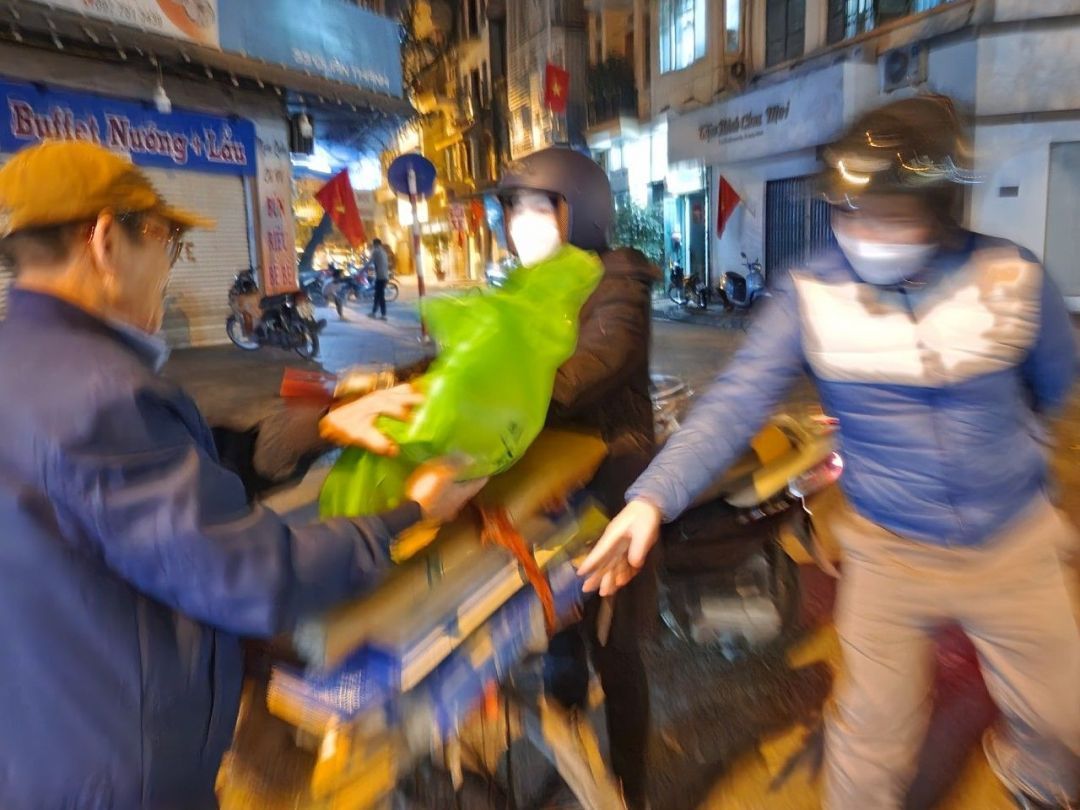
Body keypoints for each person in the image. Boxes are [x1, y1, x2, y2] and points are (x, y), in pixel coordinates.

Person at [579, 95, 1080, 810]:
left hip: (1014, 542)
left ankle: (1031, 773)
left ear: (938, 208)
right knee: (870, 741)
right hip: (890, 551)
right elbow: (735, 401)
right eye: (848, 212)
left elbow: (1054, 382)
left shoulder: (1010, 277)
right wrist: (651, 500)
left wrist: (1008, 460)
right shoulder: (811, 294)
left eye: (886, 214)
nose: (862, 231)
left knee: (1062, 718)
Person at [0, 141, 486, 809]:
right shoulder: (100, 395)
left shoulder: (24, 366)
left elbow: (158, 491)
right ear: (106, 241)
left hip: (40, 744)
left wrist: (323, 424)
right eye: (167, 244)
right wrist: (409, 513)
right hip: (120, 777)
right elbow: (251, 574)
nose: (170, 269)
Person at [498, 147, 661, 810]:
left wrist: (499, 397)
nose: (521, 222)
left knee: (613, 647)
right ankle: (567, 743)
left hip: (614, 484)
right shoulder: (530, 288)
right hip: (554, 483)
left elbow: (595, 364)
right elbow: (489, 353)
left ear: (579, 210)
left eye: (537, 207)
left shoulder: (617, 282)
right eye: (513, 209)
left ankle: (630, 787)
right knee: (558, 623)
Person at [367, 237, 390, 320]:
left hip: (380, 277)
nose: (373, 246)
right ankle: (374, 312)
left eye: (373, 244)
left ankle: (384, 315)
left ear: (375, 244)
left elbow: (370, 263)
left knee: (380, 296)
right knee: (377, 295)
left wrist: (363, 271)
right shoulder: (383, 252)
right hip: (385, 276)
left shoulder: (376, 251)